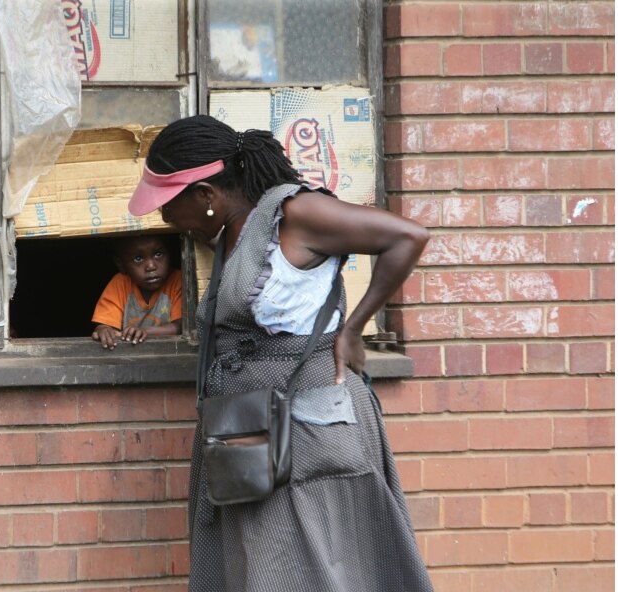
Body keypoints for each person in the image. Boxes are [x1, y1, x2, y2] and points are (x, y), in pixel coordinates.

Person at [127, 115, 434, 591]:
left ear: (206, 196)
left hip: (309, 428)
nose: (164, 219)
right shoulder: (232, 232)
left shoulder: (296, 214)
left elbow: (407, 237)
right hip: (254, 433)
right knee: (268, 568)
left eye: (168, 205)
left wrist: (354, 329)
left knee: (311, 569)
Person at [91, 234, 183, 350]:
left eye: (158, 254)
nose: (151, 266)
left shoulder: (177, 280)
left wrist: (145, 331)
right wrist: (103, 330)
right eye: (138, 258)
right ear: (121, 265)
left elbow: (180, 327)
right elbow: (105, 325)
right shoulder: (120, 284)